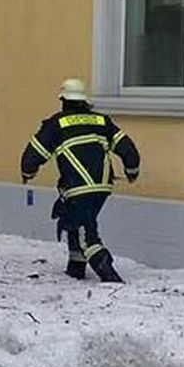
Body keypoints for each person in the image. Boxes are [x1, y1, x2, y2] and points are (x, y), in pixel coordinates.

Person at [20, 78, 140, 283]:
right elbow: (128, 149)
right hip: (102, 186)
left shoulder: (56, 124)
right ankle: (76, 268)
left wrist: (28, 173)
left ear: (63, 100)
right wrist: (132, 171)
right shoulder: (102, 121)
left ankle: (108, 273)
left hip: (77, 187)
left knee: (86, 233)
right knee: (76, 221)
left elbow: (33, 155)